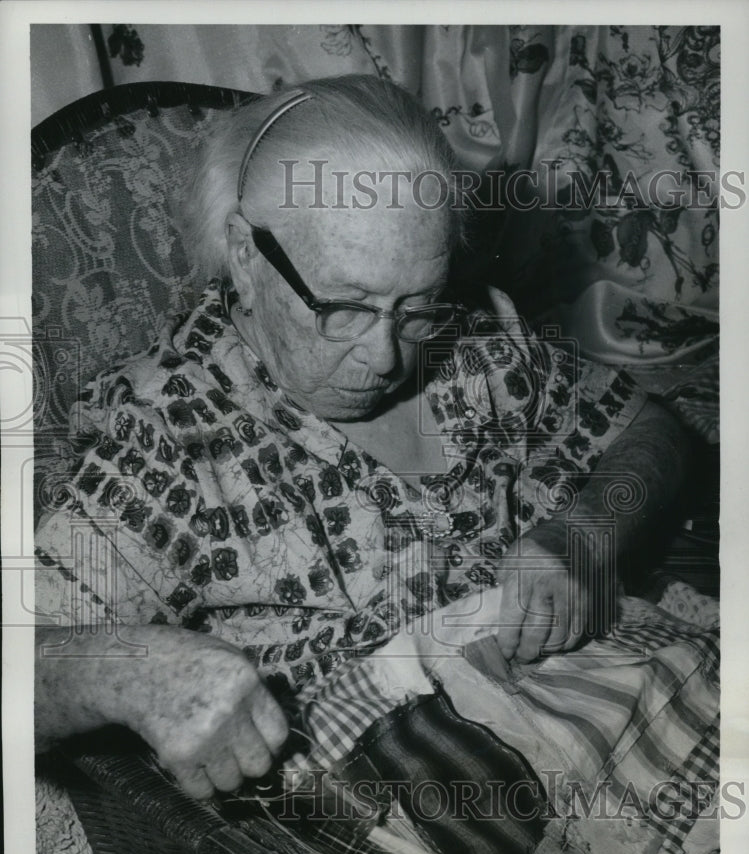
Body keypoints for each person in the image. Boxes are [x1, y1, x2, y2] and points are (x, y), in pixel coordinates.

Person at [35, 73, 693, 801]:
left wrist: (586, 532)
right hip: (448, 826)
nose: (386, 356)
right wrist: (124, 672)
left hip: (640, 721)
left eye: (417, 304)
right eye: (344, 307)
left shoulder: (471, 338)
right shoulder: (172, 440)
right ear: (247, 258)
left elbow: (653, 429)